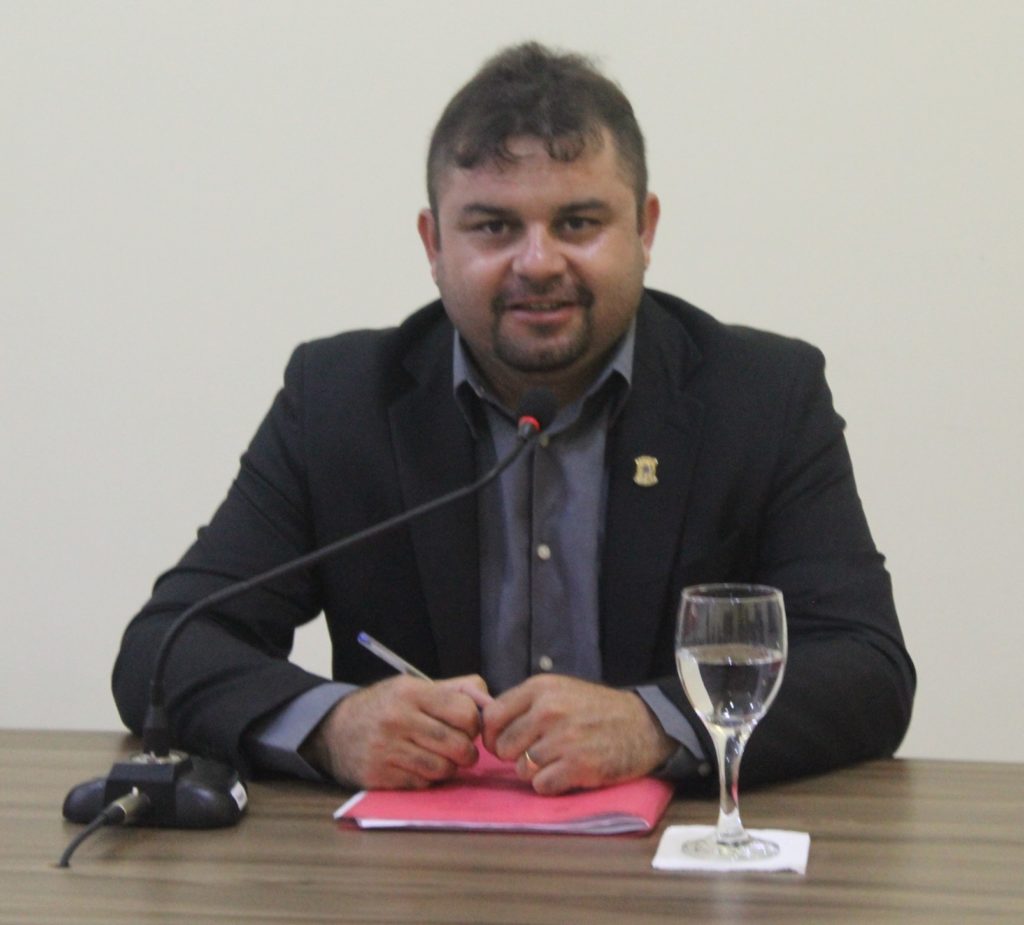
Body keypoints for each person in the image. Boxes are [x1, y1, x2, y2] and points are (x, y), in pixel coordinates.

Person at [112, 42, 915, 796]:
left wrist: (653, 723)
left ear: (645, 229)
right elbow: (167, 643)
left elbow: (867, 666)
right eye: (494, 226)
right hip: (411, 867)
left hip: (670, 863)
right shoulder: (338, 398)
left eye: (578, 223)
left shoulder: (763, 395)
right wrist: (330, 725)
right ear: (433, 243)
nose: (538, 262)